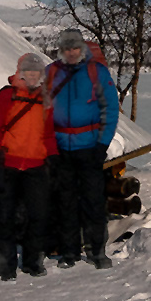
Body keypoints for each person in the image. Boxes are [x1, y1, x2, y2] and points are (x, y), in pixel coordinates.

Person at [45, 28, 118, 268]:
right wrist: (49, 148)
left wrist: (102, 144)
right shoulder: (51, 73)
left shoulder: (96, 72)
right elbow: (41, 111)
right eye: (67, 48)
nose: (72, 52)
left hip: (89, 148)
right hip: (60, 149)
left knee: (93, 202)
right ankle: (69, 252)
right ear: (61, 50)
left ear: (82, 48)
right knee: (65, 203)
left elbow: (111, 109)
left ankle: (97, 252)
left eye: (75, 47)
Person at [0, 51, 57, 279]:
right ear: (21, 72)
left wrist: (53, 156)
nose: (33, 76)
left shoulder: (46, 100)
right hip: (8, 164)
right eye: (29, 71)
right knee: (5, 217)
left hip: (36, 165)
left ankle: (32, 262)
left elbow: (50, 134)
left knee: (38, 215)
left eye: (37, 72)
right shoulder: (7, 96)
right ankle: (6, 266)